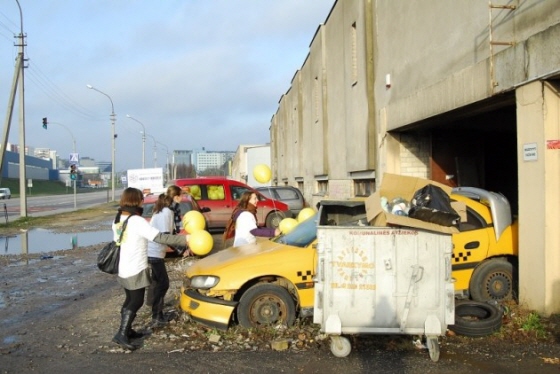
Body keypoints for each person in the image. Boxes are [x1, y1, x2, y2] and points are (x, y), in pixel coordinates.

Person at [111, 187, 189, 351]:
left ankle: (128, 330)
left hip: (124, 266)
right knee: (136, 301)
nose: (142, 201)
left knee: (129, 299)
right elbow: (158, 237)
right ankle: (122, 334)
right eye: (141, 199)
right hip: (135, 266)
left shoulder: (118, 218)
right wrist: (184, 240)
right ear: (135, 200)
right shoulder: (136, 221)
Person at [146, 193, 174, 328]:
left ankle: (157, 312)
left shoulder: (158, 211)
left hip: (153, 251)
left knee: (157, 283)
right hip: (155, 253)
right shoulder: (166, 212)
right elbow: (165, 236)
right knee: (163, 284)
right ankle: (157, 315)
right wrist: (181, 248)